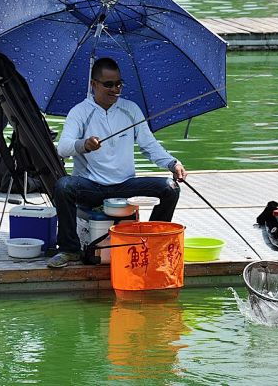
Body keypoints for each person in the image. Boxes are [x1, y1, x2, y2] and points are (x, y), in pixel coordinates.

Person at [48, 57, 188, 268]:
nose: (115, 89)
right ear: (93, 84)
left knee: (170, 188)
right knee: (63, 186)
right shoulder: (79, 112)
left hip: (124, 185)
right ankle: (69, 249)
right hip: (90, 185)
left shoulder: (130, 109)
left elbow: (149, 145)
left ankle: (152, 241)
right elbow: (63, 147)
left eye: (119, 84)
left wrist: (173, 163)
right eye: (109, 84)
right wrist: (84, 144)